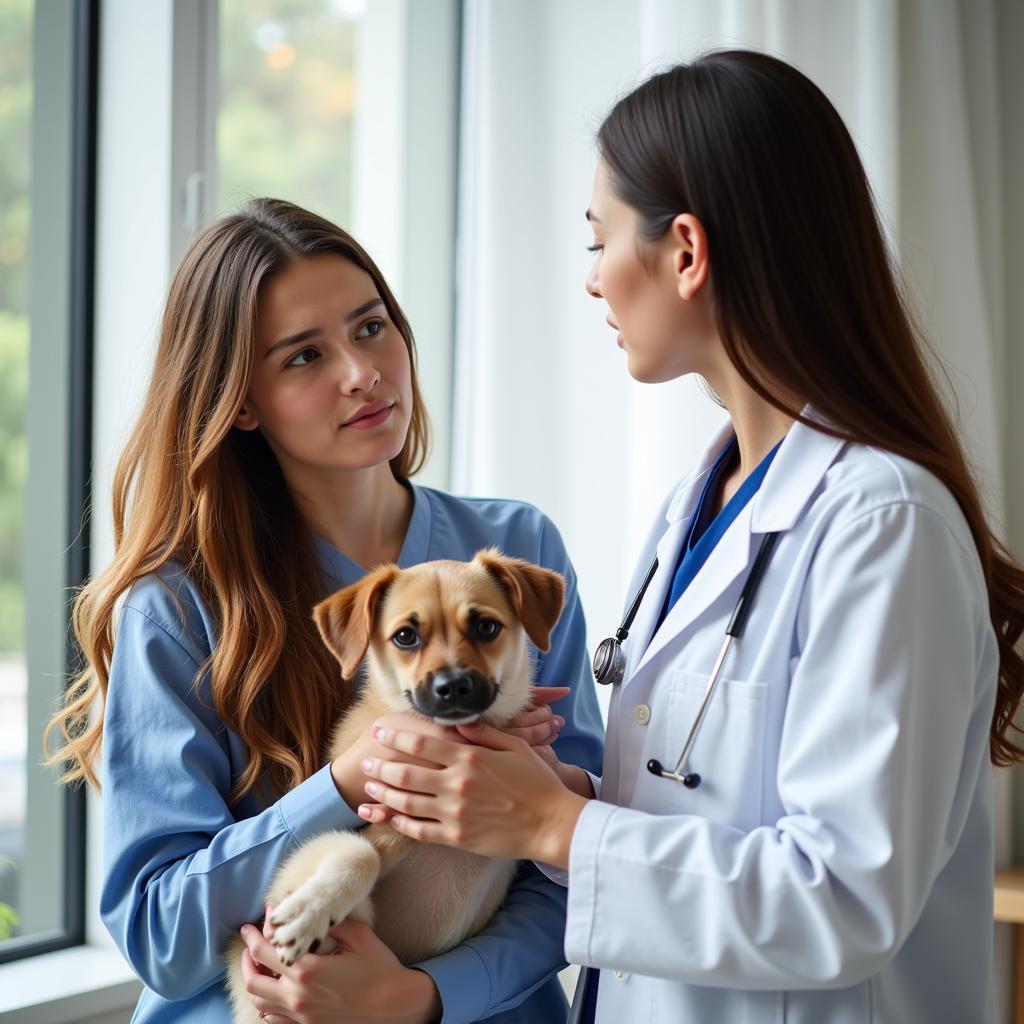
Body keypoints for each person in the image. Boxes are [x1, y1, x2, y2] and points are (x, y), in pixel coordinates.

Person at [357, 50, 1024, 1023]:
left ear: (684, 251)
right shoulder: (698, 506)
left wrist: (555, 823)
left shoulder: (882, 525)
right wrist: (564, 784)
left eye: (598, 242)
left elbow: (842, 897)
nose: (591, 283)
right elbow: (711, 802)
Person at [44, 198, 604, 1023]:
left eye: (372, 327)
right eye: (305, 356)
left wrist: (421, 997)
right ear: (239, 400)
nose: (361, 371)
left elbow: (584, 867)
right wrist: (350, 779)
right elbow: (160, 937)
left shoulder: (517, 549)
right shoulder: (178, 608)